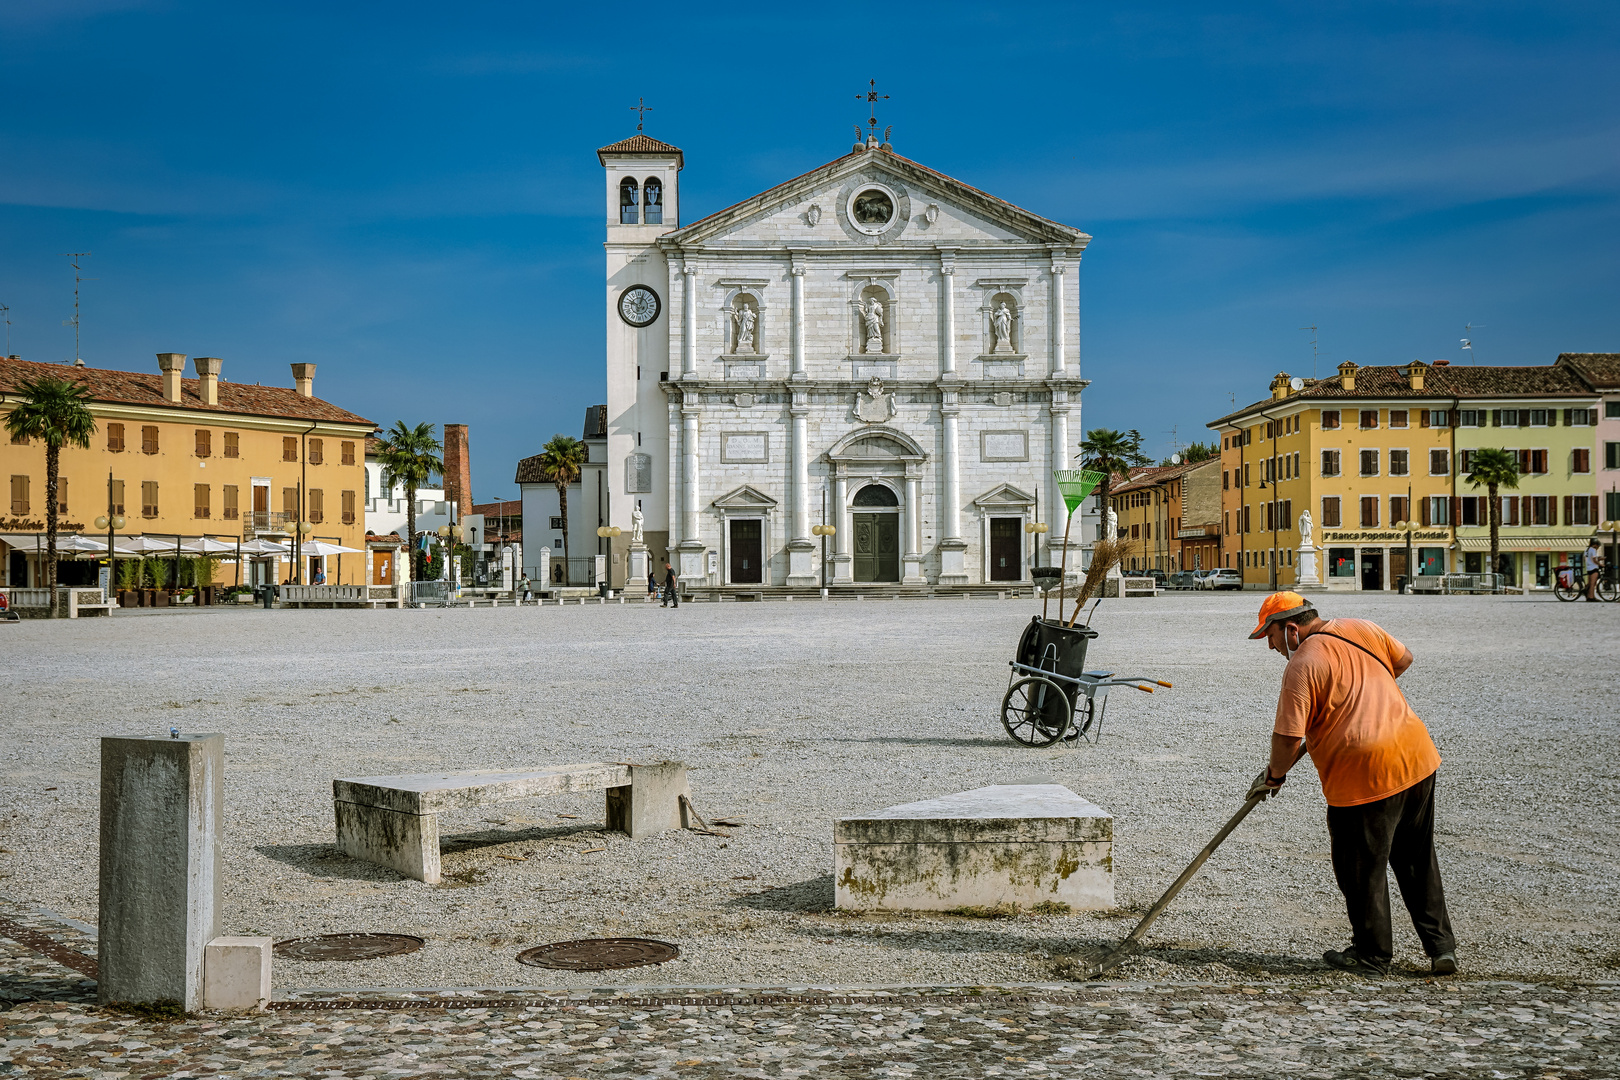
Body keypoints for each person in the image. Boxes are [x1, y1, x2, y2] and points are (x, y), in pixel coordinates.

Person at [1248, 591, 1456, 977]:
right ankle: (1441, 949)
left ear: (1292, 629)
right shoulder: (1362, 627)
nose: (1272, 646)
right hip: (1417, 758)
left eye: (1271, 637)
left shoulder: (1302, 664)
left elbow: (1289, 737)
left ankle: (1372, 956)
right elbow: (1404, 659)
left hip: (1364, 776)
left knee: (1361, 869)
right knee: (1416, 859)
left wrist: (1275, 775)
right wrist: (1369, 692)